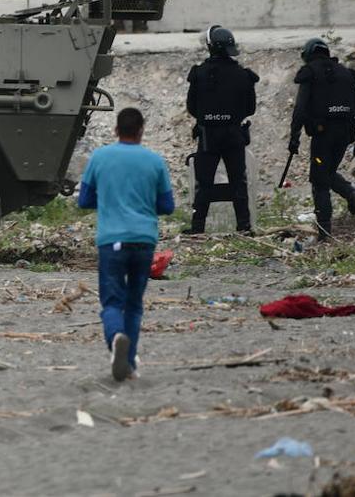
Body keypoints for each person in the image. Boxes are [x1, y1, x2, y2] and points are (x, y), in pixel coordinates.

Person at [77, 107, 174, 382]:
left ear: (116, 130)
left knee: (111, 301)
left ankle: (115, 339)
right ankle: (128, 365)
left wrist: (109, 200)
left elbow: (83, 200)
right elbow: (167, 206)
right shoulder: (154, 161)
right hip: (144, 240)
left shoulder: (100, 157)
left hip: (112, 240)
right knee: (134, 303)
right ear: (141, 131)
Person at [289, 37, 355, 240]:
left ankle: (324, 233)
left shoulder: (310, 73)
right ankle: (354, 195)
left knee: (320, 180)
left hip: (322, 136)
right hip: (344, 136)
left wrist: (294, 137)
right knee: (326, 172)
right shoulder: (345, 73)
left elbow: (300, 109)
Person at [183, 26, 258, 234]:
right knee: (238, 182)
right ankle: (244, 226)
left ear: (210, 47)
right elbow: (250, 108)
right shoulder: (243, 75)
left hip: (209, 136)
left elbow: (192, 107)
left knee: (203, 183)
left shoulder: (199, 73)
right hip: (234, 135)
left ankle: (197, 227)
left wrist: (210, 117)